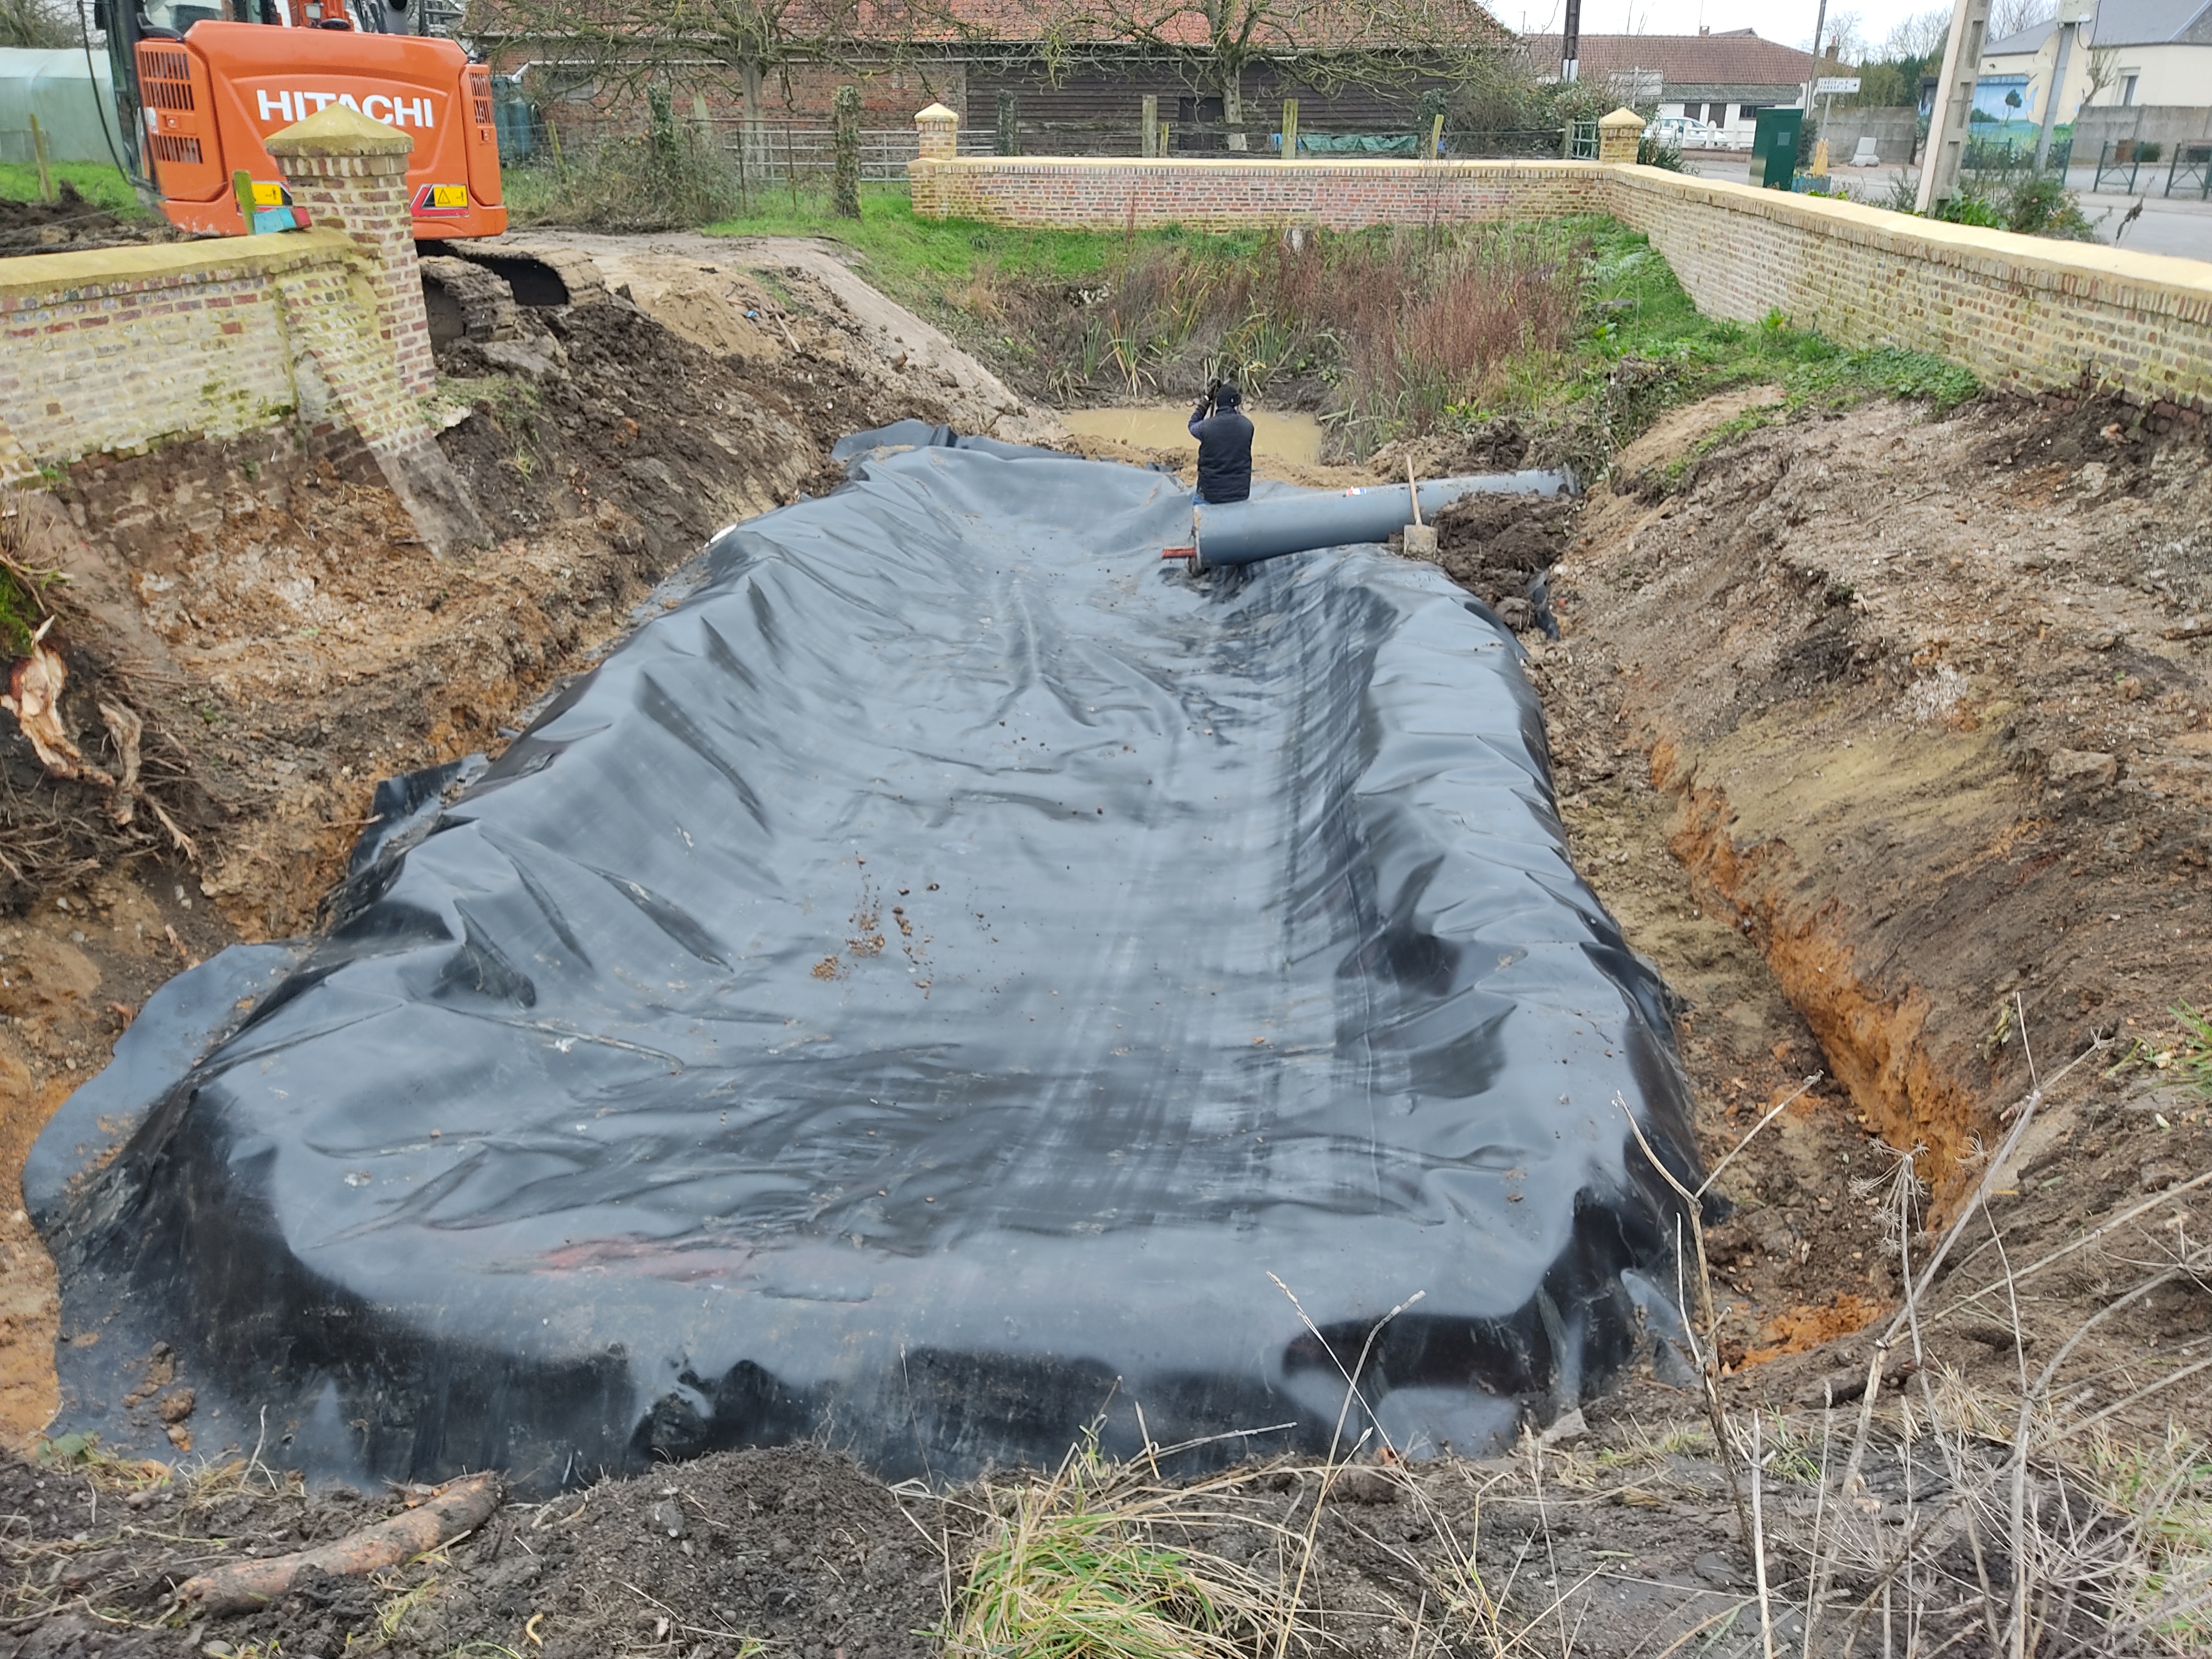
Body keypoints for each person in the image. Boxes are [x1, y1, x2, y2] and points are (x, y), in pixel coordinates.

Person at [1188, 383, 1254, 505]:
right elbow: (1236, 421)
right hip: (1240, 494)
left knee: (1198, 514)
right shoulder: (1248, 426)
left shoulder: (1205, 428)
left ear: (1218, 403)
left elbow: (1192, 424)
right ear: (1237, 404)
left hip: (1209, 495)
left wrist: (1206, 401)